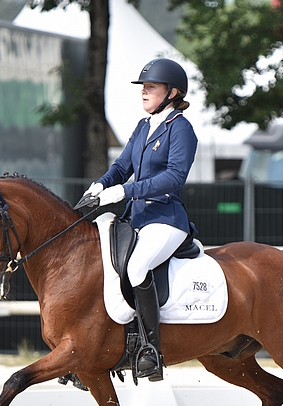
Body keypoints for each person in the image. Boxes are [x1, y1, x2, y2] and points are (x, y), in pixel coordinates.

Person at [82, 57, 198, 382]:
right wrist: (101, 184)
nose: (144, 93)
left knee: (136, 267)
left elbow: (174, 177)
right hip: (137, 218)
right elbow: (120, 166)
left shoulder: (181, 130)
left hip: (166, 219)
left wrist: (125, 192)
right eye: (143, 88)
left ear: (173, 92)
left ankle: (150, 350)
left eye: (151, 87)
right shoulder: (143, 127)